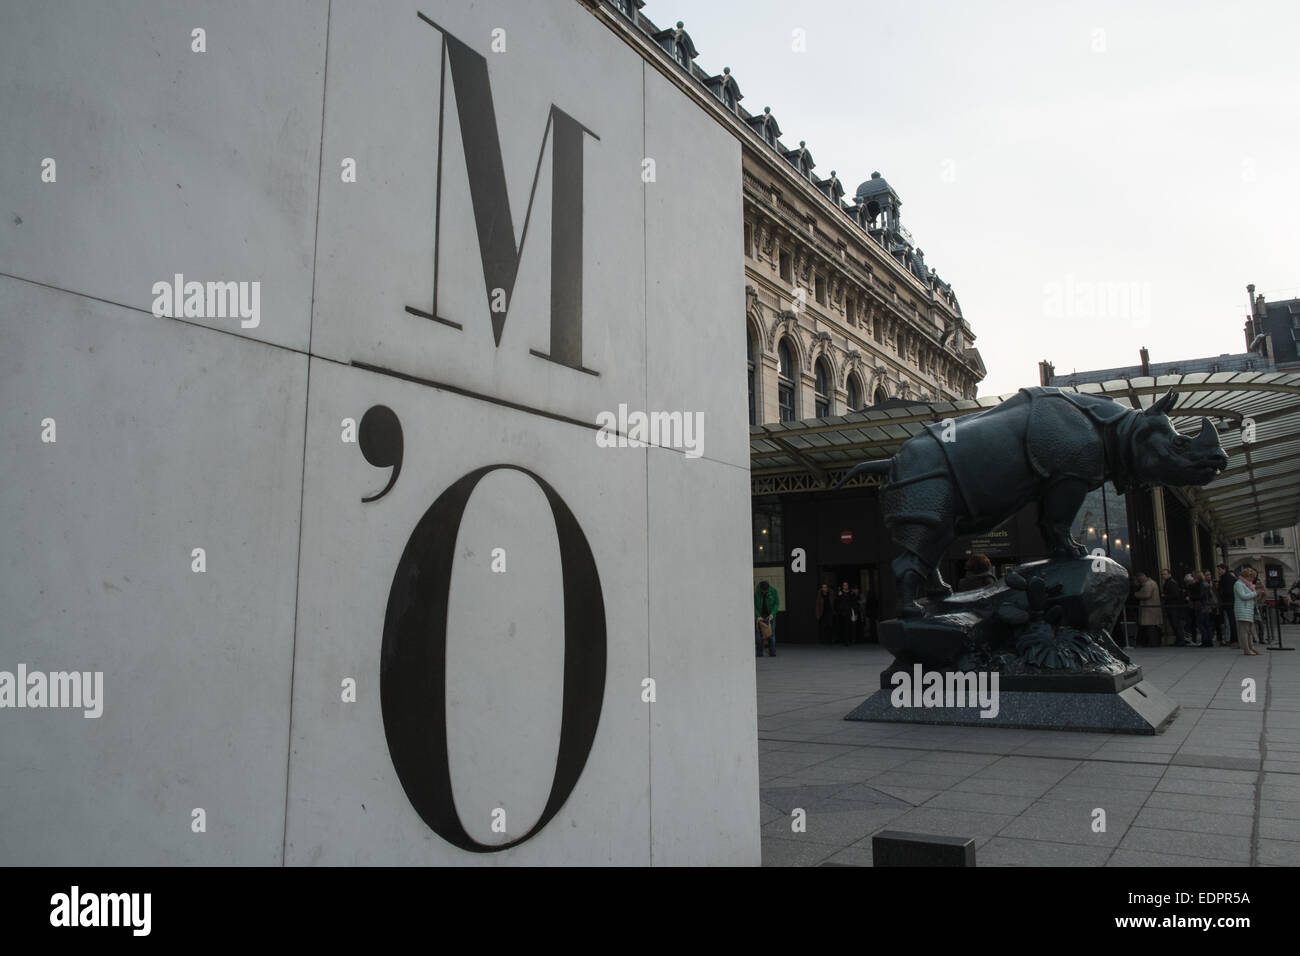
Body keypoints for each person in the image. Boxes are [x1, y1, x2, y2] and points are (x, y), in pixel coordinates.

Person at [1234, 568, 1261, 656]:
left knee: (1249, 631)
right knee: (1244, 631)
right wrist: (1255, 593)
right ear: (1247, 576)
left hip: (1248, 610)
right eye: (1252, 577)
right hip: (1242, 609)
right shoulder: (1239, 584)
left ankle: (1251, 647)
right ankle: (1246, 649)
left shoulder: (1247, 585)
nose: (1253, 579)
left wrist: (1257, 594)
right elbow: (1243, 596)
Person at [1161, 569, 1189, 645]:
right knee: (1174, 624)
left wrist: (1165, 596)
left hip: (1173, 606)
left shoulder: (1172, 583)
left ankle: (1181, 640)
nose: (1163, 576)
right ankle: (1179, 640)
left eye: (1165, 574)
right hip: (1171, 606)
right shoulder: (1168, 582)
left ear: (1169, 574)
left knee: (1176, 623)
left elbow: (1175, 595)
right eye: (1162, 574)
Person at [1135, 572, 1162, 647]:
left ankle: (1153, 643)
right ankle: (1152, 643)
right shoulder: (1151, 583)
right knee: (1151, 627)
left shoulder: (1148, 584)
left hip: (1149, 609)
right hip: (1150, 609)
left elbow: (1146, 595)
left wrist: (1136, 594)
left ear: (1141, 578)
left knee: (1150, 628)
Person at [1188, 572, 1214, 648]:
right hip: (1206, 606)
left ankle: (1205, 641)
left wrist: (1191, 597)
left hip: (1201, 606)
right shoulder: (1206, 584)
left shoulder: (1198, 585)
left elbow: (1199, 596)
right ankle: (1209, 641)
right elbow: (1210, 595)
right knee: (1207, 624)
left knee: (1201, 624)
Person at [754, 581, 779, 657]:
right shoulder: (756, 592)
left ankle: (772, 652)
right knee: (759, 635)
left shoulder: (773, 590)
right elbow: (753, 605)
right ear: (760, 589)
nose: (764, 592)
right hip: (760, 615)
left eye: (766, 591)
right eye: (763, 591)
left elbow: (776, 603)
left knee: (771, 634)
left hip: (770, 615)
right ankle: (759, 653)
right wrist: (758, 616)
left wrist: (772, 614)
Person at [1217, 564, 1239, 647]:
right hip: (1229, 602)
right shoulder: (1228, 578)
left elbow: (1227, 591)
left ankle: (1233, 639)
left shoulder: (1226, 578)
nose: (1218, 571)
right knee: (1230, 621)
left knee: (1231, 622)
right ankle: (1232, 639)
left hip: (1229, 603)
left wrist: (1223, 596)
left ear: (1224, 569)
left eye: (1219, 569)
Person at [1202, 569, 1222, 645]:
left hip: (1215, 605)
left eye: (1209, 575)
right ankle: (1210, 639)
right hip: (1208, 606)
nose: (1209, 576)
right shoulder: (1204, 585)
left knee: (1217, 623)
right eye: (1207, 575)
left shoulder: (1213, 583)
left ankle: (1219, 638)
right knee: (1210, 623)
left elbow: (1216, 594)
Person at [833, 582, 853, 646]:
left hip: (848, 612)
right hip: (841, 613)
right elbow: (836, 602)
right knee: (841, 627)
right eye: (844, 585)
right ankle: (841, 639)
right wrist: (839, 596)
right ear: (842, 586)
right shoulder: (840, 593)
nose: (845, 586)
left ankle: (847, 640)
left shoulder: (850, 593)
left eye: (846, 585)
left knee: (848, 627)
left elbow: (853, 602)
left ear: (848, 586)